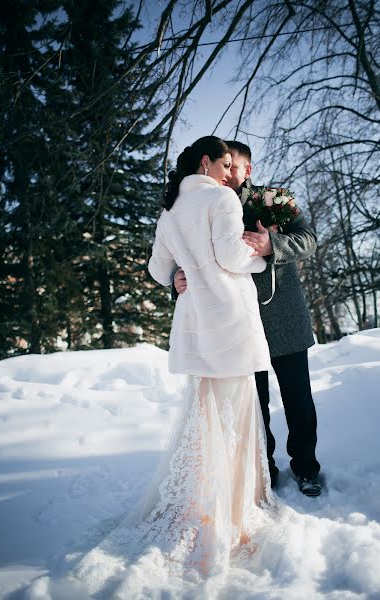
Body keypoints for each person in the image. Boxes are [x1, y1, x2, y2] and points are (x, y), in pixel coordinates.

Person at [70, 137, 288, 595]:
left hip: (195, 323)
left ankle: (207, 503)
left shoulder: (169, 212)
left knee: (207, 415)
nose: (232, 173)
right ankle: (232, 512)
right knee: (235, 419)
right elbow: (232, 256)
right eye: (226, 164)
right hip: (229, 321)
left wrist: (176, 275)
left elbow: (155, 267)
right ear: (205, 163)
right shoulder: (222, 198)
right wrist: (262, 252)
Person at [174, 140, 322, 497]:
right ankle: (263, 469)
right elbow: (187, 255)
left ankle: (306, 467)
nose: (227, 176)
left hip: (283, 316)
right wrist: (176, 280)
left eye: (233, 168)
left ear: (248, 170)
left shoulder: (274, 201)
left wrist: (273, 245)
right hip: (236, 324)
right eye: (223, 167)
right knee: (253, 404)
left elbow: (309, 239)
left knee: (298, 398)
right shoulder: (202, 206)